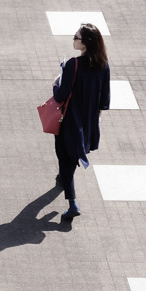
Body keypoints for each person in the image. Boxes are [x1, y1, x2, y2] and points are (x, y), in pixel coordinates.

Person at [52, 23, 110, 220]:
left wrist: (55, 85)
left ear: (85, 43)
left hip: (69, 122)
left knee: (65, 157)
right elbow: (104, 100)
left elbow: (61, 95)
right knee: (72, 156)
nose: (73, 38)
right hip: (88, 122)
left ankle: (72, 202)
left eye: (76, 37)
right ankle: (64, 179)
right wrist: (93, 122)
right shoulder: (104, 65)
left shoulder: (73, 65)